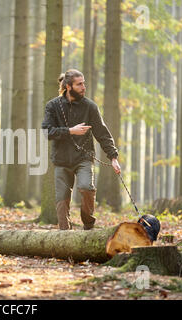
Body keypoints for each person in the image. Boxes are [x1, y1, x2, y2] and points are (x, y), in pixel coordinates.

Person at [42, 69, 121, 230]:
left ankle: (88, 225)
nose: (84, 87)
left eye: (84, 83)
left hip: (83, 158)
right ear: (69, 87)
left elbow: (102, 132)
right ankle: (65, 236)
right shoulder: (52, 106)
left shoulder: (90, 106)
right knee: (61, 200)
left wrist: (113, 157)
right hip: (61, 160)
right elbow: (46, 132)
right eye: (79, 84)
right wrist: (70, 130)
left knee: (86, 187)